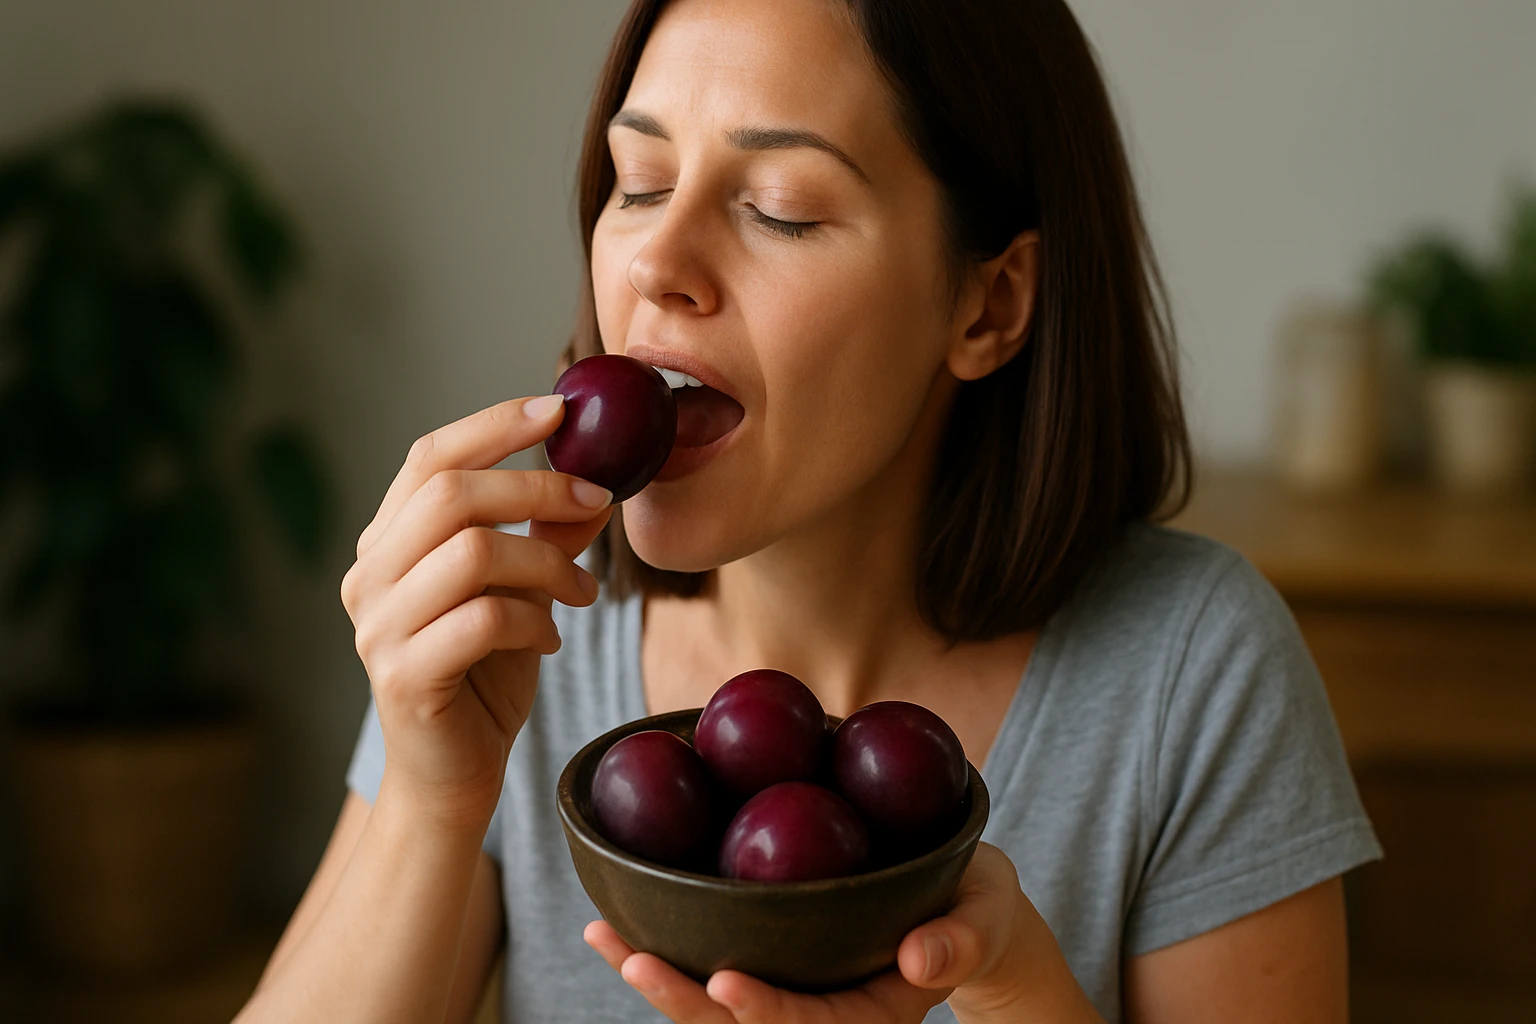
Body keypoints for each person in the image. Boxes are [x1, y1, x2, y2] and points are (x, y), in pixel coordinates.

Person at [234, 0, 1381, 1021]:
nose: (655, 263)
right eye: (636, 186)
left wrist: (1010, 986)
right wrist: (434, 798)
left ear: (990, 306)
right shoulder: (518, 631)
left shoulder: (1193, 670)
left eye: (778, 208)